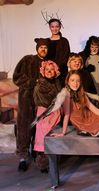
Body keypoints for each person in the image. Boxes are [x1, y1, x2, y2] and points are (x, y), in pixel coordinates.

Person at [13, 38, 49, 172]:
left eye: (45, 47)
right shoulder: (27, 60)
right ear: (37, 48)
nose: (43, 49)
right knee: (24, 129)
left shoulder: (49, 63)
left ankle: (40, 158)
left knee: (40, 130)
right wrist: (33, 82)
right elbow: (16, 77)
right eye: (41, 47)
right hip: (26, 100)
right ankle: (23, 158)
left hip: (42, 102)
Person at [51, 70, 99, 137]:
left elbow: (94, 109)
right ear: (68, 82)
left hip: (90, 117)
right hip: (80, 122)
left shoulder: (82, 93)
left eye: (78, 81)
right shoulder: (66, 94)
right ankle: (94, 131)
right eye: (72, 80)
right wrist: (63, 132)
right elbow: (67, 114)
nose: (75, 83)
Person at [33, 60, 61, 173]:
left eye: (52, 70)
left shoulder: (57, 82)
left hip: (55, 113)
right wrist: (57, 99)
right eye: (47, 70)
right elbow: (46, 100)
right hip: (45, 113)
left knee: (54, 137)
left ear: (55, 71)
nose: (49, 72)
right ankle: (43, 164)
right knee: (43, 137)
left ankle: (54, 162)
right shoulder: (40, 84)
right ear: (43, 72)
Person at [45, 17, 70, 86]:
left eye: (57, 26)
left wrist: (57, 69)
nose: (54, 29)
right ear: (49, 27)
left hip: (62, 71)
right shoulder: (46, 41)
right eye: (52, 27)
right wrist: (51, 69)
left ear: (60, 27)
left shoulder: (64, 41)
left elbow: (66, 56)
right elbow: (44, 57)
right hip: (49, 71)